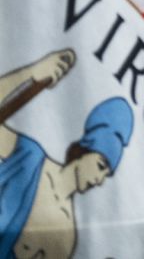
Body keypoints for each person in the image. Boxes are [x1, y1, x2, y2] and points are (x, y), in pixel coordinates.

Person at [0, 50, 135, 259]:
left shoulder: (67, 233)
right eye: (101, 165)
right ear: (83, 150)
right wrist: (33, 73)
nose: (99, 181)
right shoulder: (29, 155)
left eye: (106, 174)